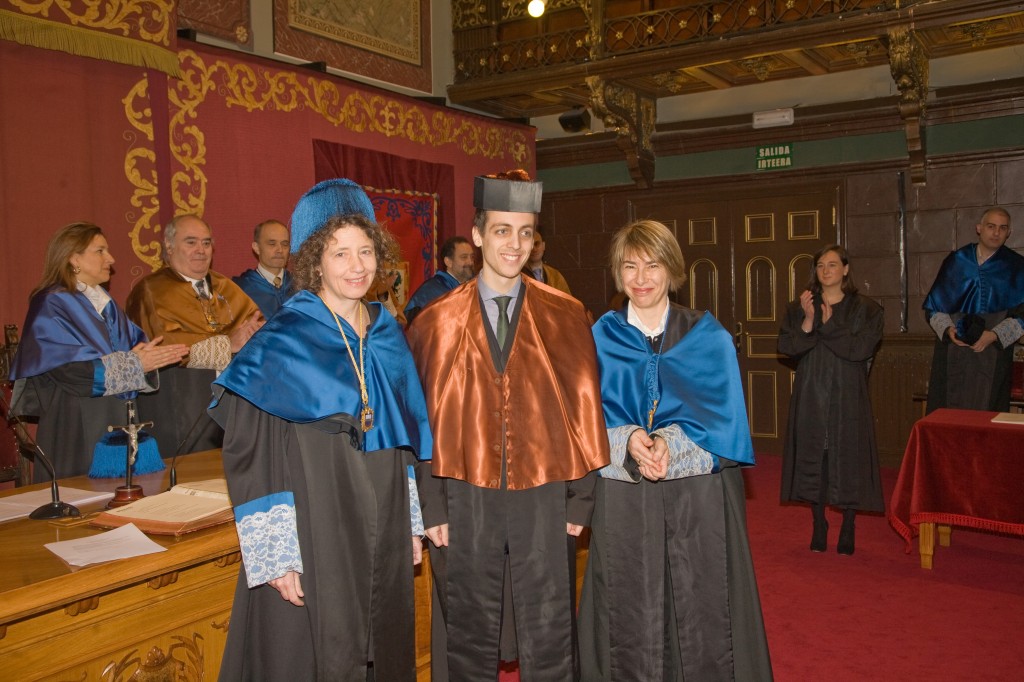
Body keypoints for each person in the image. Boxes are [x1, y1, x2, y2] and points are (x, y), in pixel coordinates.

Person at [210, 179, 433, 681]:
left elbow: (403, 437)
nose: (357, 266)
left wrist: (410, 522)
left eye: (365, 251)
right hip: (316, 522)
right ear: (315, 262)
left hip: (383, 519)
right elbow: (248, 452)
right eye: (340, 254)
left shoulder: (385, 331)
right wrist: (277, 556)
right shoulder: (283, 339)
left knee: (384, 646)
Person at [406, 170, 609, 682]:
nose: (514, 245)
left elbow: (585, 411)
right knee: (467, 630)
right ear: (476, 235)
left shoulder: (566, 315)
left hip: (543, 492)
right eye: (501, 230)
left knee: (550, 628)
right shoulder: (435, 321)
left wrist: (580, 500)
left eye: (525, 232)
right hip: (464, 495)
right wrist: (431, 507)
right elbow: (424, 422)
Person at [579, 219, 772, 682]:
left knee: (700, 601)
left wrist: (672, 443)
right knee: (627, 603)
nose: (641, 278)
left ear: (672, 270)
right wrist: (625, 440)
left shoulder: (707, 336)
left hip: (696, 498)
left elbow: (727, 424)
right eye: (629, 266)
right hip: (624, 494)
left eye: (653, 265)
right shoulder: (598, 339)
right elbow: (579, 420)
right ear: (617, 273)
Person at [9, 222, 187, 480]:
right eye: (100, 251)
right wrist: (134, 364)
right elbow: (68, 371)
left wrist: (144, 359)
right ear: (73, 258)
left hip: (117, 413)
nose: (111, 259)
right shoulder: (51, 302)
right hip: (77, 419)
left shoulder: (105, 304)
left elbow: (133, 352)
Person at [126, 214, 262, 457]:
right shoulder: (151, 290)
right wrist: (227, 345)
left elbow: (256, 326)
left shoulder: (225, 286)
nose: (201, 250)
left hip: (234, 402)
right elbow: (164, 345)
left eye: (206, 243)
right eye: (191, 242)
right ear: (169, 246)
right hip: (181, 403)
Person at [778, 244, 884, 556]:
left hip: (848, 393)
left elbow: (860, 349)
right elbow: (787, 346)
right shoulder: (800, 306)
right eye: (821, 265)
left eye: (833, 265)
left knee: (848, 455)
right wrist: (809, 321)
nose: (826, 270)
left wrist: (832, 324)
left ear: (846, 270)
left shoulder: (867, 309)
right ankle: (818, 523)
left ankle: (849, 524)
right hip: (811, 390)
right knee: (815, 456)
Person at [924, 207, 1024, 412]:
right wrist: (948, 330)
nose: (996, 232)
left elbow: (1022, 316)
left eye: (1002, 228)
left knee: (987, 416)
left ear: (1009, 233)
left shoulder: (1017, 267)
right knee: (950, 416)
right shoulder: (956, 261)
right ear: (979, 228)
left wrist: (994, 335)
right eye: (991, 226)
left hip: (992, 352)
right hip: (954, 349)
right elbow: (934, 308)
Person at [403, 235, 475, 324]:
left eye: (472, 257)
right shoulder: (430, 291)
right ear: (448, 262)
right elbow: (412, 326)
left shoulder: (476, 287)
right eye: (464, 257)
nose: (470, 262)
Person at [232, 219, 294, 318]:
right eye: (272, 244)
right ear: (256, 247)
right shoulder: (240, 289)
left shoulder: (300, 286)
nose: (280, 250)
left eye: (285, 244)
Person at [521, 225, 572, 295]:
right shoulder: (518, 276)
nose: (534, 249)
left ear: (543, 246)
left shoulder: (555, 276)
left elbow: (567, 303)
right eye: (530, 245)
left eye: (537, 244)